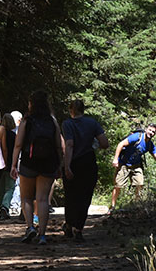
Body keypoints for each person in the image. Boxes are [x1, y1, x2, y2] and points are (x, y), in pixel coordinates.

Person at [10, 91, 61, 245]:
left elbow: (18, 144)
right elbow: (58, 145)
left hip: (29, 162)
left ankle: (30, 227)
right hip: (48, 163)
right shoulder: (52, 121)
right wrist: (60, 164)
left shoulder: (27, 120)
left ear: (31, 104)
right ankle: (43, 235)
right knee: (43, 199)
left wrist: (13, 165)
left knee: (26, 197)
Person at [61, 99, 109, 242]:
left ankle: (69, 225)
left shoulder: (67, 124)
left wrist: (67, 165)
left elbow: (69, 145)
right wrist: (93, 145)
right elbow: (105, 143)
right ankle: (79, 229)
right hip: (88, 161)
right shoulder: (92, 123)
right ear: (83, 109)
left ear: (71, 111)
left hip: (74, 162)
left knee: (70, 196)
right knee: (85, 196)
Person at [108, 123, 156, 212]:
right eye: (150, 130)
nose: (151, 133)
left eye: (153, 132)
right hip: (124, 164)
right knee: (118, 186)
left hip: (136, 166)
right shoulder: (137, 137)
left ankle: (136, 205)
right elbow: (121, 144)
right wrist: (115, 159)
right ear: (146, 130)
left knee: (139, 184)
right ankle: (112, 206)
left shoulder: (150, 145)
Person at [0, 112, 18, 220]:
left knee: (0, 187)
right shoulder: (13, 136)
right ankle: (5, 207)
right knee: (10, 187)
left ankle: (2, 206)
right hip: (11, 163)